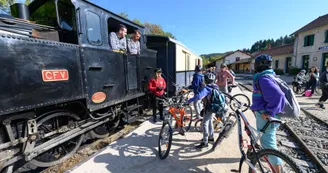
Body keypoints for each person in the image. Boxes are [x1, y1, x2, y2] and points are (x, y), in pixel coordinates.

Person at [250, 54, 285, 171]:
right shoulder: (268, 76)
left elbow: (279, 96)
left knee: (269, 144)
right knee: (267, 141)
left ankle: (276, 169)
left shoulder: (263, 78)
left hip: (265, 116)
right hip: (264, 113)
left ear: (260, 65)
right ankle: (269, 159)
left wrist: (269, 112)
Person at [184, 73, 219, 148]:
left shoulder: (207, 89)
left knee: (204, 123)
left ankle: (205, 142)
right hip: (214, 107)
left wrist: (189, 101)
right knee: (209, 122)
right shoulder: (216, 87)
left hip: (209, 108)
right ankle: (211, 138)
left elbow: (198, 96)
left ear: (205, 80)